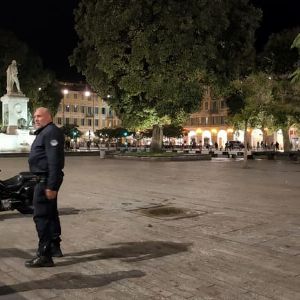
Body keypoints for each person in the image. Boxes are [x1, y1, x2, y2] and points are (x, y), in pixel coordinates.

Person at [25, 107, 65, 268]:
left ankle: (44, 255)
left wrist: (51, 185)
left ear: (49, 117)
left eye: (39, 116)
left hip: (45, 180)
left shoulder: (51, 132)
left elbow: (54, 161)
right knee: (51, 214)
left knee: (41, 217)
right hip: (45, 180)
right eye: (35, 116)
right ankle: (54, 247)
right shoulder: (45, 132)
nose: (36, 118)